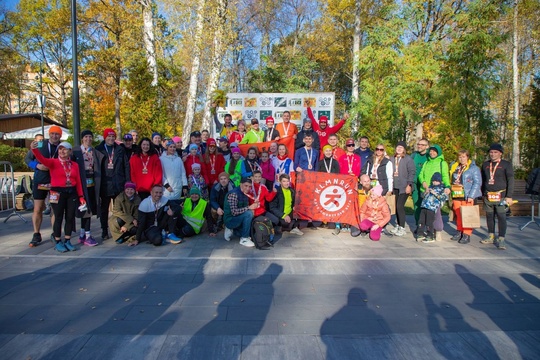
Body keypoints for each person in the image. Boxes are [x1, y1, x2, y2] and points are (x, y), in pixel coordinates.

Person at [30, 140, 86, 252]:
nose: (62, 151)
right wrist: (34, 149)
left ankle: (68, 240)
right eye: (60, 149)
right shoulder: (53, 162)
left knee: (70, 217)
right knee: (58, 217)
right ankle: (58, 240)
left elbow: (78, 181)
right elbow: (41, 159)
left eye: (65, 149)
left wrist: (81, 196)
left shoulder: (74, 165)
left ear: (70, 151)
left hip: (71, 192)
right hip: (57, 192)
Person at [26, 127, 61, 247]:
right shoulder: (40, 144)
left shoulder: (62, 146)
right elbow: (28, 159)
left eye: (57, 134)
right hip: (40, 180)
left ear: (60, 136)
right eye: (52, 134)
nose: (55, 136)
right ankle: (36, 234)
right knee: (38, 208)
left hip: (56, 181)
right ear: (49, 135)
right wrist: (37, 166)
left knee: (55, 208)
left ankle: (55, 233)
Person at [96, 128, 130, 240]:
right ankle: (104, 230)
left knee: (119, 208)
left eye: (113, 136)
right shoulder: (99, 149)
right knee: (104, 208)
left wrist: (127, 182)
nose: (111, 138)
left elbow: (126, 166)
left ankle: (117, 229)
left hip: (118, 183)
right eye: (108, 136)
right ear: (104, 137)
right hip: (105, 184)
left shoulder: (120, 149)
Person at [479, 143, 514, 250]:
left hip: (501, 196)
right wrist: (482, 193)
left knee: (501, 217)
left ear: (500, 154)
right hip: (488, 195)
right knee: (489, 216)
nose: (493, 154)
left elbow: (510, 180)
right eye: (491, 152)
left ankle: (501, 238)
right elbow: (483, 180)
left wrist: (509, 196)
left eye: (495, 152)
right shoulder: (485, 164)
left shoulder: (506, 165)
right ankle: (491, 235)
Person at [72, 129, 102, 246]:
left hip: (92, 184)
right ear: (82, 138)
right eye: (86, 137)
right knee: (85, 209)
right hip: (80, 185)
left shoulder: (94, 152)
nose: (88, 139)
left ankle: (82, 233)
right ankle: (88, 236)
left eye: (90, 137)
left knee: (88, 209)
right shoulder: (76, 152)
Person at [449, 149, 482, 244]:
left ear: (468, 157)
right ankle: (459, 231)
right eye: (460, 157)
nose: (462, 159)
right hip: (457, 194)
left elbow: (477, 182)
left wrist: (471, 195)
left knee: (467, 215)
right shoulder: (455, 167)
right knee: (458, 214)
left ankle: (467, 234)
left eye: (464, 156)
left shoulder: (473, 168)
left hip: (467, 194)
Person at [417, 144, 451, 237]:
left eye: (434, 151)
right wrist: (423, 182)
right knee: (424, 212)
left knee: (436, 212)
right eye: (431, 151)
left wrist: (447, 186)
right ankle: (425, 230)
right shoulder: (426, 162)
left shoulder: (442, 163)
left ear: (438, 152)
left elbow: (445, 175)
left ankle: (437, 230)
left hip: (436, 191)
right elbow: (421, 174)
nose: (432, 153)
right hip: (426, 190)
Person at [223, 177, 258, 247]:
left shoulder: (245, 193)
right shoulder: (234, 194)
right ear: (241, 184)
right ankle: (244, 239)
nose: (248, 188)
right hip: (230, 219)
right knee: (249, 214)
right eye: (246, 186)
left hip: (238, 218)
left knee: (251, 233)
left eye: (250, 186)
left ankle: (233, 230)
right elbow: (234, 212)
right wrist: (249, 208)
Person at [391, 141, 416, 237]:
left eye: (401, 147)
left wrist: (409, 184)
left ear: (404, 149)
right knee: (396, 206)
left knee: (400, 206)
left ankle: (402, 227)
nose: (399, 149)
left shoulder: (408, 159)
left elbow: (412, 172)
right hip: (395, 186)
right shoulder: (392, 158)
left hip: (404, 186)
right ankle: (398, 225)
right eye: (398, 147)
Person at [416, 173, 449, 243]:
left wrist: (435, 193)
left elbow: (443, 198)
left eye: (436, 181)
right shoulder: (430, 187)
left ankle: (430, 235)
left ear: (440, 181)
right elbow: (422, 196)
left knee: (429, 222)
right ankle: (420, 234)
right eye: (433, 181)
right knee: (421, 221)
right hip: (424, 206)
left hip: (432, 208)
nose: (434, 182)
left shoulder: (442, 189)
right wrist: (425, 192)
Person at [411, 138, 430, 226]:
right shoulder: (414, 155)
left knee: (427, 206)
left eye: (422, 145)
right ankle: (419, 225)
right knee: (416, 205)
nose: (419, 146)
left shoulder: (430, 156)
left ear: (427, 146)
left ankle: (428, 226)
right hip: (415, 184)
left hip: (426, 185)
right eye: (419, 144)